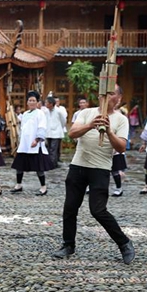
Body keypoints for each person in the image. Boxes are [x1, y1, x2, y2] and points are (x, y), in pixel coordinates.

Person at [53, 85, 135, 265]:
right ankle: (68, 245)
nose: (106, 96)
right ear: (99, 96)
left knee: (98, 210)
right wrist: (91, 125)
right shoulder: (86, 113)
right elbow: (72, 133)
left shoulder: (121, 119)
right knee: (70, 209)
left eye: (112, 93)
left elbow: (121, 147)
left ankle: (124, 243)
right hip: (78, 166)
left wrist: (109, 131)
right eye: (104, 92)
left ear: (119, 99)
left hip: (100, 168)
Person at [10, 91, 54, 196]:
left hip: (35, 143)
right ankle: (18, 184)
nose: (32, 102)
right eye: (30, 100)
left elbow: (42, 127)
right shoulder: (25, 114)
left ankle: (43, 186)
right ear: (27, 102)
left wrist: (37, 139)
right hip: (24, 144)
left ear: (37, 102)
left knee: (38, 167)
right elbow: (23, 128)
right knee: (19, 165)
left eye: (34, 100)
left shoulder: (40, 113)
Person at [44, 96, 67, 169]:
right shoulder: (46, 111)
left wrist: (59, 128)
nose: (45, 104)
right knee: (50, 148)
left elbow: (63, 121)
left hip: (56, 132)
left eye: (46, 103)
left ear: (51, 104)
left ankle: (52, 164)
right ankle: (54, 163)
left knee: (53, 149)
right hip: (48, 132)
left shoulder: (58, 111)